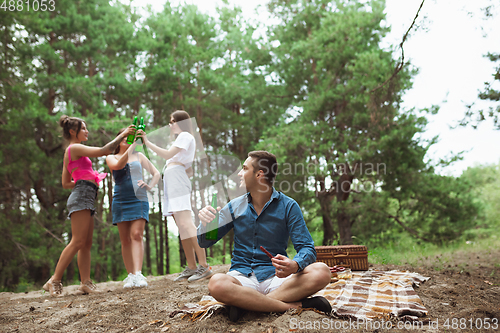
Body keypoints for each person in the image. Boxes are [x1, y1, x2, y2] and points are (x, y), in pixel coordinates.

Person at [197, 151, 332, 322]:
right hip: (242, 279)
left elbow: (307, 247)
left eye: (244, 168)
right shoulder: (234, 206)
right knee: (216, 283)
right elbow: (204, 242)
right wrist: (205, 224)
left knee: (321, 271)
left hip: (278, 279)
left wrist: (294, 264)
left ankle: (248, 305)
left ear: (259, 174)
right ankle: (295, 306)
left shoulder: (289, 206)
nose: (239, 173)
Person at [43, 115, 136, 297]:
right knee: (77, 241)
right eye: (83, 128)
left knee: (86, 244)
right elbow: (104, 150)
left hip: (85, 194)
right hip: (82, 196)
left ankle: (85, 282)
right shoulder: (74, 147)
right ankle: (54, 280)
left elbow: (65, 183)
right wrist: (124, 133)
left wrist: (86, 179)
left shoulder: (70, 152)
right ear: (72, 131)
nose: (87, 131)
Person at [136, 110, 213, 282]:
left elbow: (168, 155)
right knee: (181, 226)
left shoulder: (185, 135)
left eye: (172, 121)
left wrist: (147, 142)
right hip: (173, 180)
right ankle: (192, 267)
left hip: (177, 180)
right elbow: (187, 167)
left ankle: (204, 265)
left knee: (187, 223)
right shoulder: (183, 138)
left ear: (181, 122)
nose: (170, 125)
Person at [106, 129, 160, 288]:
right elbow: (118, 165)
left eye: (129, 137)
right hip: (121, 200)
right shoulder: (111, 157)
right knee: (125, 240)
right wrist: (132, 145)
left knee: (136, 234)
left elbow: (156, 173)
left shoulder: (139, 156)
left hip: (139, 198)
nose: (127, 139)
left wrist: (149, 186)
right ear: (117, 139)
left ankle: (138, 274)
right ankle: (130, 275)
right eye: (123, 137)